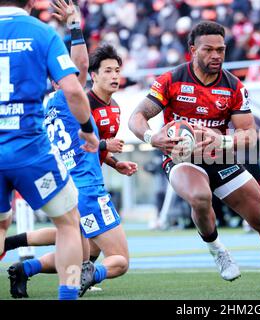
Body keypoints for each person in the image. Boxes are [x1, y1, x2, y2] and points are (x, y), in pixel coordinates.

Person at [128, 21, 260, 290]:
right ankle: (218, 250)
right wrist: (152, 137)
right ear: (193, 50)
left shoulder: (234, 87)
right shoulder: (171, 80)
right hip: (182, 158)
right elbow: (137, 117)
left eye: (221, 50)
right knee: (200, 196)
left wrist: (223, 140)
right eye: (208, 50)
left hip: (220, 157)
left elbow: (249, 134)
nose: (216, 55)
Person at [4, 1, 136, 299]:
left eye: (118, 70)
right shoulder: (69, 98)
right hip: (86, 185)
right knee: (118, 260)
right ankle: (84, 277)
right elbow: (80, 69)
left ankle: (26, 267)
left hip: (65, 178)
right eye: (109, 71)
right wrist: (75, 27)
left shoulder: (47, 102)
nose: (115, 75)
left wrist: (112, 160)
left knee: (78, 241)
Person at [0, 0, 99, 300]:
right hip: (30, 150)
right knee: (69, 223)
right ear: (30, 3)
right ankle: (67, 296)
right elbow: (72, 87)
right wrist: (87, 129)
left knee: (1, 224)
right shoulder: (41, 33)